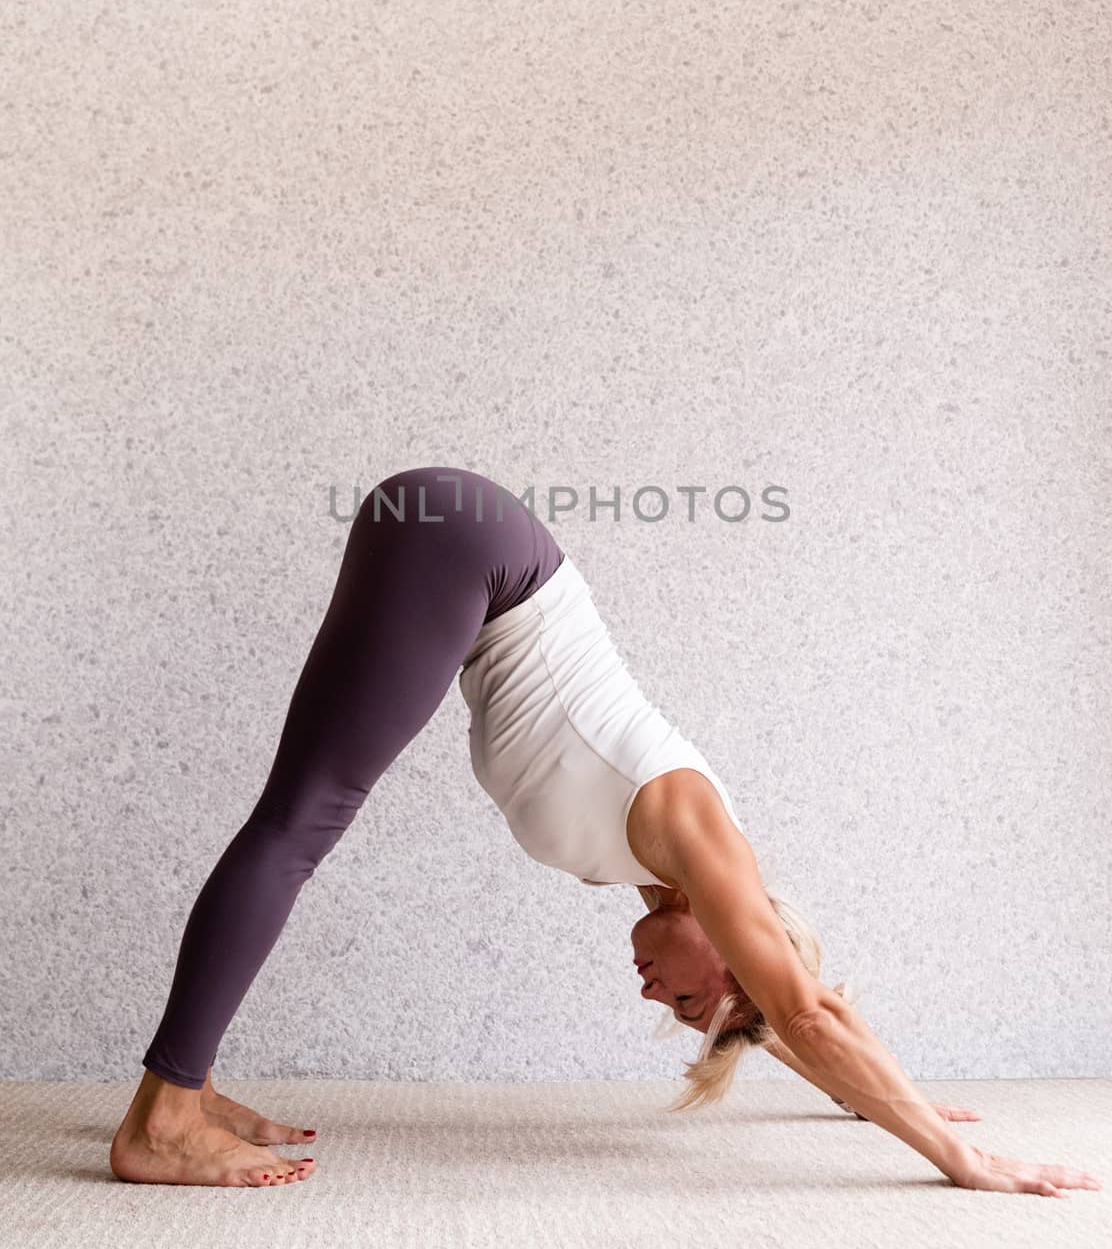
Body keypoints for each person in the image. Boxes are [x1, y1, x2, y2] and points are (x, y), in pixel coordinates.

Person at [110, 466, 1102, 1198]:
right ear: (735, 961)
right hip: (466, 539)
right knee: (298, 825)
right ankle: (163, 1116)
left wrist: (884, 1098)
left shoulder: (662, 873)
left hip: (458, 538)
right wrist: (955, 1154)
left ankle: (181, 1094)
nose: (646, 988)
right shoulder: (698, 834)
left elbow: (786, 1017)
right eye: (677, 994)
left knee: (299, 822)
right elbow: (802, 1011)